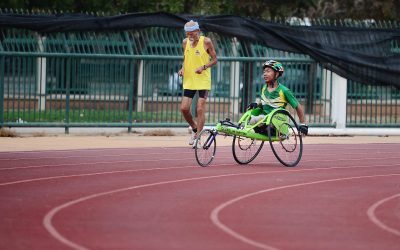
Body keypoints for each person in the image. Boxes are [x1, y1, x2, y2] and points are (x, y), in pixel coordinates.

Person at [178, 20, 218, 147]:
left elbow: (215, 60)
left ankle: (198, 138)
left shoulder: (206, 41)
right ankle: (195, 129)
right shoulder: (185, 43)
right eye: (187, 34)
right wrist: (183, 68)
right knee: (184, 109)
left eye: (192, 33)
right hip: (189, 80)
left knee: (200, 108)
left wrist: (204, 67)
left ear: (198, 31)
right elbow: (186, 58)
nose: (190, 36)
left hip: (203, 80)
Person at [247, 60, 308, 135]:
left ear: (276, 74)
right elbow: (265, 102)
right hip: (264, 119)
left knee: (258, 119)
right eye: (264, 72)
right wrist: (256, 104)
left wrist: (303, 124)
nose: (265, 74)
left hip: (277, 120)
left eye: (268, 71)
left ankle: (268, 129)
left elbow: (298, 106)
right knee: (249, 117)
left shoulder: (284, 91)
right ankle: (262, 129)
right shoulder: (264, 88)